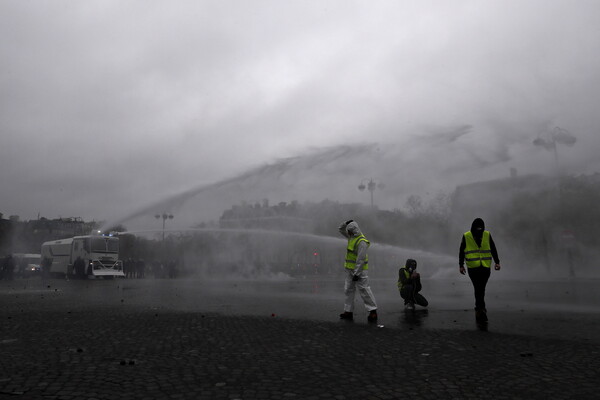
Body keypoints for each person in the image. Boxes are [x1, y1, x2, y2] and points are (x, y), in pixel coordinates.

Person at [459, 218, 501, 322]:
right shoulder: (466, 236)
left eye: (481, 228)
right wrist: (461, 265)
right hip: (473, 268)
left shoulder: (487, 234)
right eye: (477, 228)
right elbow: (461, 251)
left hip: (485, 267)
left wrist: (497, 262)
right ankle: (480, 309)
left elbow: (493, 248)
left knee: (481, 288)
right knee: (478, 288)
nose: (479, 230)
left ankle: (480, 308)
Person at [338, 220, 378, 322]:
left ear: (354, 230)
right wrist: (345, 223)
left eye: (350, 231)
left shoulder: (362, 241)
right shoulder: (352, 237)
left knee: (364, 290)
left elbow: (361, 259)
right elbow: (340, 229)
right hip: (350, 270)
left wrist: (357, 273)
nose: (348, 233)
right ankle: (348, 311)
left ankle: (373, 311)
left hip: (360, 271)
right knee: (348, 290)